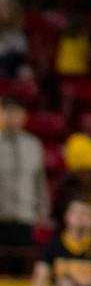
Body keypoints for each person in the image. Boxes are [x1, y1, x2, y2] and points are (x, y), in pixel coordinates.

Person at [0, 97, 47, 270]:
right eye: (8, 112)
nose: (13, 117)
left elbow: (39, 180)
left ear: (24, 116)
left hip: (25, 217)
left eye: (17, 113)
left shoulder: (33, 145)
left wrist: (42, 210)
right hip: (1, 217)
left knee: (21, 269)